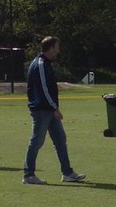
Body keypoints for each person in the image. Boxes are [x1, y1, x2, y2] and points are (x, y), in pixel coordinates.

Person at [22, 36, 86, 185]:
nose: (59, 50)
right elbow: (44, 89)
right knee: (37, 141)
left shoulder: (45, 63)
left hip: (48, 110)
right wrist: (54, 108)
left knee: (60, 139)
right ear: (50, 48)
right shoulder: (41, 64)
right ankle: (28, 175)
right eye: (57, 47)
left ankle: (67, 173)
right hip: (42, 110)